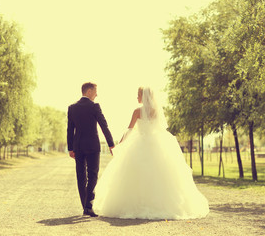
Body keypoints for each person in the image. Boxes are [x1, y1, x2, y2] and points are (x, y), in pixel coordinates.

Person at [93, 87, 209, 219]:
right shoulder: (157, 111)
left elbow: (130, 129)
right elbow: (160, 128)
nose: (137, 97)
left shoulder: (137, 111)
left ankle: (137, 204)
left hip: (140, 143)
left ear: (143, 96)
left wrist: (120, 144)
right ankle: (161, 204)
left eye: (138, 95)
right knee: (161, 175)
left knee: (135, 174)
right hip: (157, 143)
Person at [67, 82, 115, 217]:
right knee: (92, 175)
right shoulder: (94, 107)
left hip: (78, 147)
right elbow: (104, 126)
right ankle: (88, 206)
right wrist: (111, 144)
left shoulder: (72, 108)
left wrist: (70, 148)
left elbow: (70, 130)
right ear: (88, 92)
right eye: (95, 91)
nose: (96, 94)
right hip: (93, 146)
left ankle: (85, 206)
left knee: (80, 176)